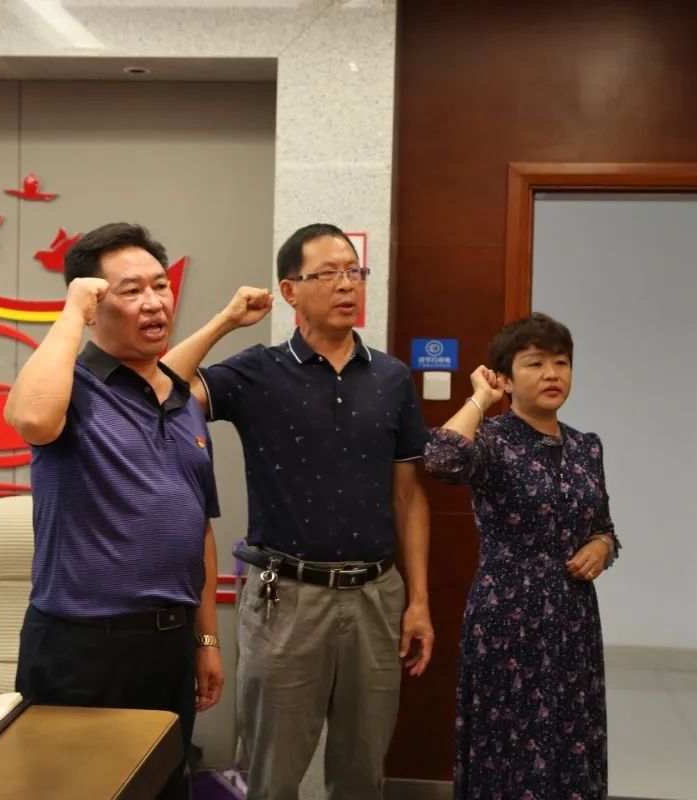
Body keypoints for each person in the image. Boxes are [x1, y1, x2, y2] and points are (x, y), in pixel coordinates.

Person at [162, 222, 434, 800]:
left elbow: (409, 497)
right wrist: (224, 321)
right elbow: (161, 390)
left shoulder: (391, 378)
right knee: (274, 777)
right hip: (285, 597)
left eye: (355, 272)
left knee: (362, 775)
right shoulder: (257, 371)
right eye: (328, 273)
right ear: (290, 290)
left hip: (375, 596)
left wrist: (418, 601)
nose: (347, 285)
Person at [5, 222, 271, 800]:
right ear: (93, 303)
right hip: (81, 647)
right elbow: (31, 418)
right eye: (130, 290)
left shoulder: (179, 400)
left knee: (163, 788)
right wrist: (70, 313)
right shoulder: (72, 388)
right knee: (73, 791)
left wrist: (206, 640)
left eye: (160, 285)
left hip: (169, 646)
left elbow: (197, 528)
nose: (153, 301)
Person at [423, 312, 620, 800]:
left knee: (571, 739)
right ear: (506, 379)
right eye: (535, 363)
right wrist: (479, 399)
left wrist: (601, 547)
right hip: (508, 616)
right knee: (507, 745)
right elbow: (441, 459)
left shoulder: (586, 447)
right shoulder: (491, 439)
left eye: (562, 363)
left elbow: (604, 527)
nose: (553, 374)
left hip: (573, 618)